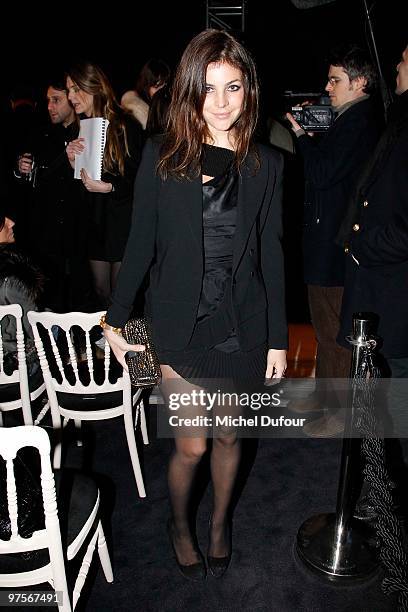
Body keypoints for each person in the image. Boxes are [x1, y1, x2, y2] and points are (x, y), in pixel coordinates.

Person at [102, 29, 287, 580]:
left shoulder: (268, 164)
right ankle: (180, 524)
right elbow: (140, 245)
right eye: (209, 88)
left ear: (249, 90)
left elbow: (272, 255)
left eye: (234, 86)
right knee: (192, 447)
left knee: (231, 434)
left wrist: (278, 336)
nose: (223, 102)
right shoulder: (162, 157)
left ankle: (220, 522)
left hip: (244, 326)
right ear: (188, 91)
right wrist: (116, 318)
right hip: (181, 326)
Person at [285, 44, 382, 434]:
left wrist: (301, 136)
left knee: (332, 331)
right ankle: (326, 398)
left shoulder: (358, 121)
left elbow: (324, 173)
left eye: (335, 80)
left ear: (359, 83)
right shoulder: (353, 119)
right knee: (326, 329)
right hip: (329, 242)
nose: (328, 88)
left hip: (333, 246)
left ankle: (336, 414)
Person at [65, 61, 144, 308]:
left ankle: (123, 344)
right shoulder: (81, 128)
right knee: (100, 291)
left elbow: (139, 180)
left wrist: (109, 187)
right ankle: (107, 343)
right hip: (95, 222)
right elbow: (83, 185)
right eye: (68, 90)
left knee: (121, 294)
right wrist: (72, 163)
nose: (71, 97)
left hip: (122, 220)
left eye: (75, 89)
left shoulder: (124, 125)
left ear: (94, 87)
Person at [14, 75, 89, 312]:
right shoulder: (40, 134)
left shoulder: (88, 132)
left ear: (71, 99)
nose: (50, 107)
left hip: (81, 231)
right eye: (47, 100)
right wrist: (21, 170)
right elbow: (30, 182)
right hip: (46, 234)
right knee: (50, 297)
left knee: (81, 294)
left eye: (56, 100)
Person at [0, 209, 44, 387]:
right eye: (3, 221)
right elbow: (32, 334)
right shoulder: (12, 279)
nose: (11, 223)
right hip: (13, 369)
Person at [121, 58, 170, 130]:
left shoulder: (167, 105)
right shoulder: (137, 117)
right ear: (146, 86)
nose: (161, 90)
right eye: (157, 86)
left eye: (164, 85)